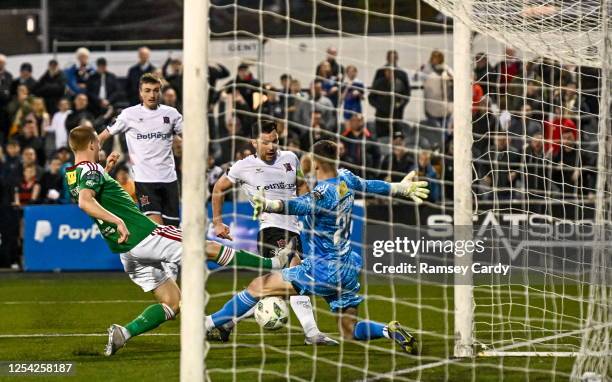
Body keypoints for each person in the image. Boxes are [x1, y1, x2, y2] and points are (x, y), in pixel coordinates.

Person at [65, 125, 290, 356]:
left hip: (127, 252)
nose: (100, 145)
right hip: (144, 235)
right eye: (98, 142)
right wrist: (118, 221)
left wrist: (105, 170)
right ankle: (273, 264)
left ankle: (124, 333)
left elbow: (92, 190)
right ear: (92, 144)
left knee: (172, 303)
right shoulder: (91, 169)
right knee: (207, 248)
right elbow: (86, 201)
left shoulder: (73, 173)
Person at [205, 140, 429, 354]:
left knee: (257, 287)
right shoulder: (346, 179)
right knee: (348, 330)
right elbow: (370, 185)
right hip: (348, 267)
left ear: (316, 163)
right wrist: (400, 188)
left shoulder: (322, 194)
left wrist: (268, 204)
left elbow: (295, 205)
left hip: (322, 270)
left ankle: (207, 324)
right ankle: (388, 330)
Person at [210, 120, 337, 345]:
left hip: (295, 229)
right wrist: (218, 222)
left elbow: (300, 187)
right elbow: (218, 189)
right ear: (253, 142)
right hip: (270, 229)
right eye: (266, 142)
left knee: (279, 289)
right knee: (295, 271)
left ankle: (226, 322)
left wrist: (310, 211)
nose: (271, 147)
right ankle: (312, 333)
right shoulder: (242, 166)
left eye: (275, 142)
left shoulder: (290, 158)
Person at [98, 73, 181, 226]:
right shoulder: (128, 115)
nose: (152, 94)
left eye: (156, 90)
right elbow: (102, 137)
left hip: (169, 179)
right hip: (145, 181)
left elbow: (187, 138)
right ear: (140, 92)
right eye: (147, 90)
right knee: (157, 230)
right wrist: (95, 158)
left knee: (173, 230)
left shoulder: (172, 114)